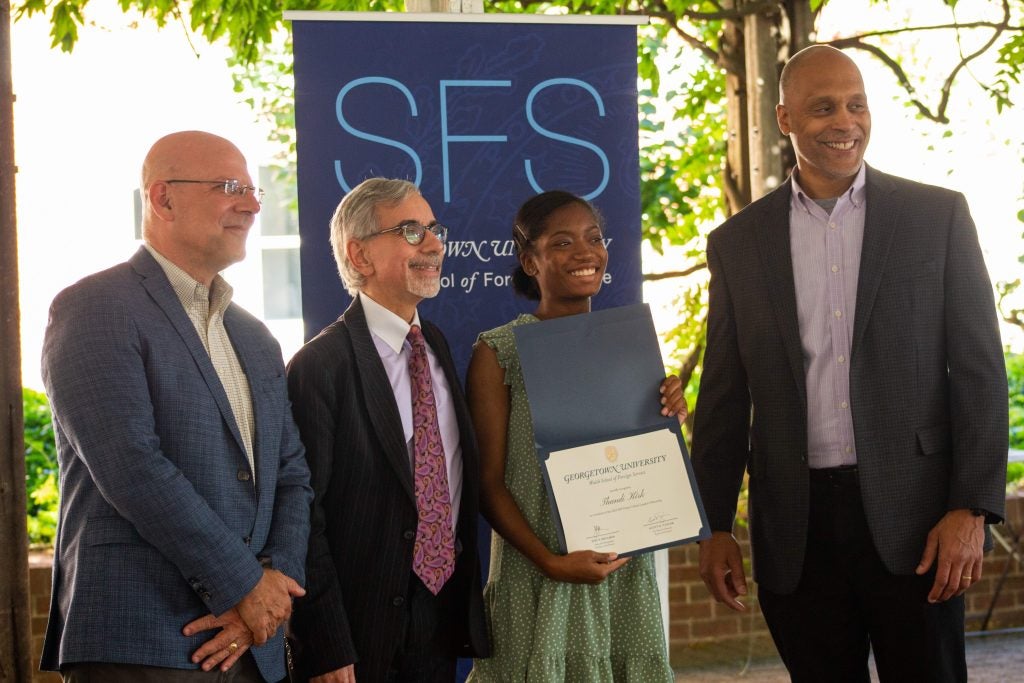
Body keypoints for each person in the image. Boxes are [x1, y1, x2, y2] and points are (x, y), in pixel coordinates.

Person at [692, 45, 1009, 682]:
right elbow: (725, 395)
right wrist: (713, 525)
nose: (846, 121)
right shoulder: (739, 244)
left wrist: (970, 507)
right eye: (824, 107)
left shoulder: (937, 218)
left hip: (919, 523)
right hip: (795, 529)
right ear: (784, 120)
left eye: (857, 104)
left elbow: (979, 372)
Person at [40, 130, 313, 682]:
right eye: (229, 187)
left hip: (251, 646)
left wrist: (273, 589)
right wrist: (245, 585)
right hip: (140, 639)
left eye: (253, 189)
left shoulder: (255, 338)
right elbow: (131, 466)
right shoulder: (94, 307)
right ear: (162, 198)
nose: (253, 204)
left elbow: (291, 477)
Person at [464, 190, 686, 682]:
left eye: (593, 238)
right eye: (562, 242)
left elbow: (647, 466)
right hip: (537, 574)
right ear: (530, 261)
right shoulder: (498, 352)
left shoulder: (629, 348)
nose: (586, 252)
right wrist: (551, 561)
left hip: (621, 574)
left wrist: (671, 413)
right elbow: (488, 483)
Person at [286, 178, 489, 682]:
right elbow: (301, 514)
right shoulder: (321, 365)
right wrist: (326, 642)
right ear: (360, 255)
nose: (436, 244)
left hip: (439, 622)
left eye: (435, 229)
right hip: (357, 636)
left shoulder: (436, 344)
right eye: (411, 231)